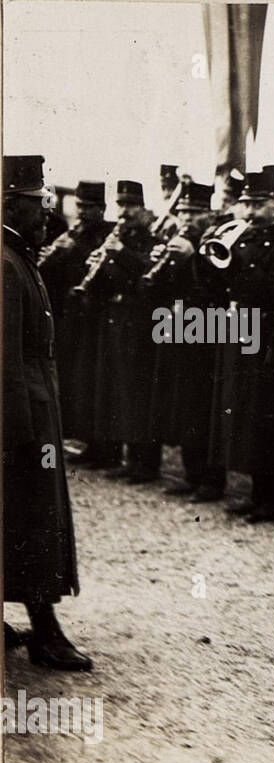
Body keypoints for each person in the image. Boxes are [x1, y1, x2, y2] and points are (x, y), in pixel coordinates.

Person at [3, 154, 92, 670]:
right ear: (12, 203)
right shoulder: (7, 262)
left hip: (33, 410)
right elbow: (5, 359)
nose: (47, 214)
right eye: (39, 204)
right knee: (35, 520)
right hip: (24, 420)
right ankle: (45, 632)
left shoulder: (16, 256)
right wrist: (16, 434)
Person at [208, 169, 274, 522]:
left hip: (267, 335)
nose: (251, 212)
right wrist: (209, 257)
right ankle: (257, 493)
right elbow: (218, 286)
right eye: (247, 204)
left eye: (259, 204)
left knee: (267, 415)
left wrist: (239, 265)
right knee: (244, 411)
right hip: (237, 329)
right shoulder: (240, 238)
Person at [145, 179, 226, 500]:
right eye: (183, 213)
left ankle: (211, 480)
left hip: (208, 331)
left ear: (208, 214)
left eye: (194, 213)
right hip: (178, 331)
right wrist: (159, 264)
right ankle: (192, 474)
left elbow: (219, 288)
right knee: (183, 403)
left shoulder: (216, 241)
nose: (188, 219)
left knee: (204, 405)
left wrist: (194, 259)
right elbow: (157, 291)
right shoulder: (174, 240)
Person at [80, 180, 160, 481]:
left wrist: (120, 252)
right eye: (121, 206)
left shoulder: (149, 239)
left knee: (137, 394)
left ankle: (145, 463)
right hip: (114, 320)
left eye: (130, 206)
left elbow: (145, 276)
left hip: (139, 323)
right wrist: (95, 270)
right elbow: (111, 281)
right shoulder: (118, 237)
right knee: (113, 389)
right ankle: (118, 456)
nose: (124, 212)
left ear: (143, 209)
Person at [38, 179, 114, 461]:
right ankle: (87, 442)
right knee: (78, 381)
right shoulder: (73, 232)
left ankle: (104, 448)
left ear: (102, 209)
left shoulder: (106, 234)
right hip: (73, 317)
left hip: (96, 318)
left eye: (89, 207)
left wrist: (74, 251)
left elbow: (101, 270)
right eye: (80, 206)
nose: (82, 212)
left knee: (97, 382)